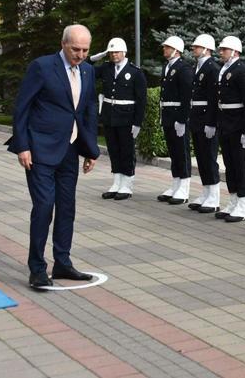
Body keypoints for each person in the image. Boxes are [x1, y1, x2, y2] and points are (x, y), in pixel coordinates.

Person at [8, 24, 100, 289]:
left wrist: (90, 149)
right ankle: (37, 268)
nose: (81, 55)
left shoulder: (88, 70)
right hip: (39, 151)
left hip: (70, 150)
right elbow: (22, 108)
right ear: (63, 44)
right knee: (44, 206)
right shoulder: (42, 67)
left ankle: (62, 263)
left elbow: (88, 108)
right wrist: (23, 146)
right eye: (76, 49)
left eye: (85, 50)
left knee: (67, 208)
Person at [90, 38, 147, 200]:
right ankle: (116, 183)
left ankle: (127, 185)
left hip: (127, 118)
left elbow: (141, 100)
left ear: (124, 52)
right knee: (114, 150)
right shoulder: (106, 68)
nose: (114, 55)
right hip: (109, 116)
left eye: (116, 52)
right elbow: (84, 69)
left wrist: (137, 122)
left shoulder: (135, 72)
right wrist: (95, 58)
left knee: (126, 151)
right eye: (111, 52)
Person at [214, 36, 245, 222]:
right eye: (221, 49)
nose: (221, 52)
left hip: (238, 126)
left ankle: (243, 205)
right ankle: (233, 201)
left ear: (235, 52)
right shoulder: (224, 70)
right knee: (230, 165)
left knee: (241, 166)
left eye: (225, 49)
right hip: (226, 123)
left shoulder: (243, 71)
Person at [187, 34, 222, 213]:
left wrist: (211, 122)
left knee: (209, 157)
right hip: (197, 118)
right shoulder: (198, 67)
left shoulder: (212, 69)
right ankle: (206, 192)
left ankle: (214, 197)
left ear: (207, 49)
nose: (194, 49)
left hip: (206, 119)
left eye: (197, 47)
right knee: (201, 157)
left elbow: (213, 99)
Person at [157, 35, 193, 204]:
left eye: (167, 47)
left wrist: (182, 119)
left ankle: (184, 188)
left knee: (182, 152)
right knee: (173, 152)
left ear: (176, 50)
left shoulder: (183, 68)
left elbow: (187, 96)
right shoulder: (168, 66)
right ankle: (175, 184)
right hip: (169, 115)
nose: (164, 49)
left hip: (178, 116)